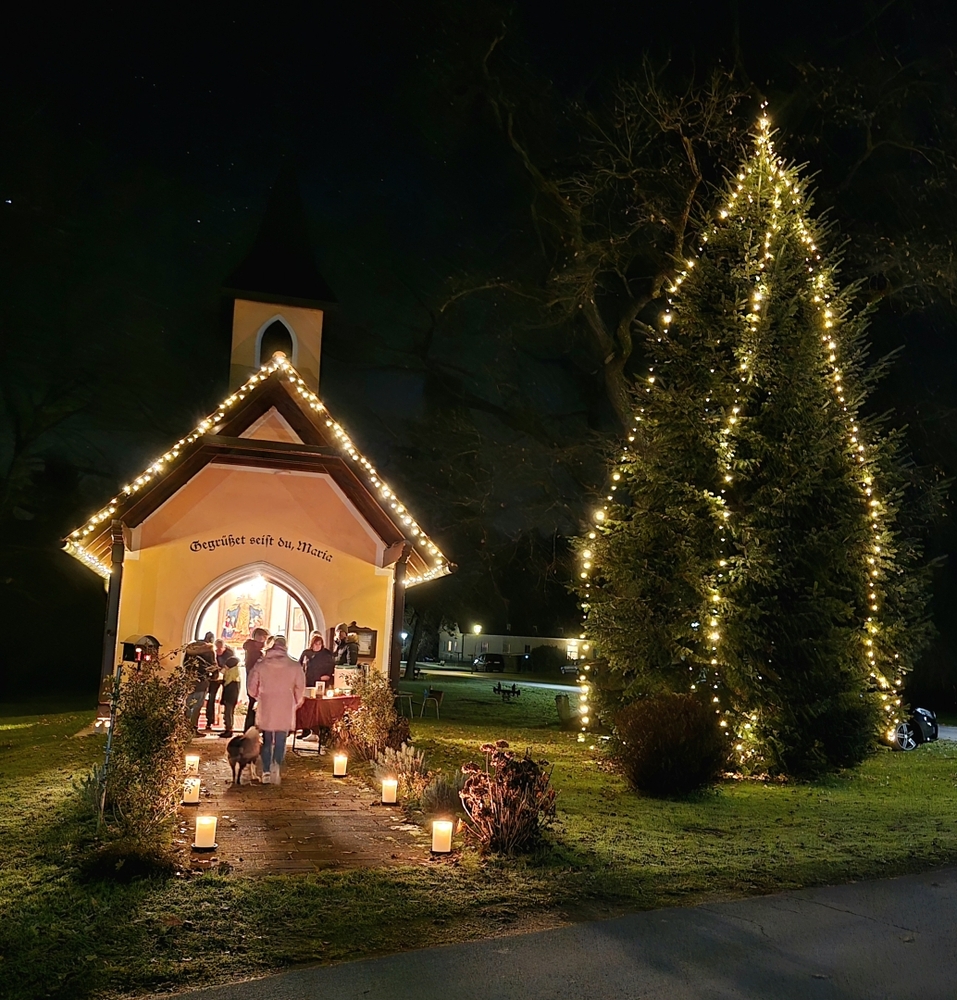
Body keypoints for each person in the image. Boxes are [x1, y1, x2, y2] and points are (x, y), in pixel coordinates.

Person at [246, 635, 305, 785]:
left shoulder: (261, 664)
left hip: (267, 703)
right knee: (281, 738)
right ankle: (276, 767)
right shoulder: (294, 665)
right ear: (285, 647)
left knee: (267, 739)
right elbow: (300, 687)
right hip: (285, 704)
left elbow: (251, 687)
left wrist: (259, 696)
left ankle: (265, 771)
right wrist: (296, 701)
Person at [298, 632, 336, 738]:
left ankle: (319, 731)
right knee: (306, 707)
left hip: (320, 683)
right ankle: (305, 729)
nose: (318, 646)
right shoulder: (306, 653)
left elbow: (331, 667)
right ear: (312, 644)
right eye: (316, 644)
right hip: (307, 682)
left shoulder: (326, 654)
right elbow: (299, 665)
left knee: (319, 707)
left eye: (320, 644)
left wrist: (327, 676)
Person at [184, 632, 216, 734]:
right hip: (202, 681)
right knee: (197, 706)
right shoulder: (209, 650)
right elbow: (212, 667)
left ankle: (184, 728)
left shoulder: (190, 648)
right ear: (211, 639)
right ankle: (193, 728)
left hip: (189, 680)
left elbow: (184, 664)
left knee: (188, 705)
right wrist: (214, 675)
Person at [242, 627, 269, 731]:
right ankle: (251, 730)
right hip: (256, 684)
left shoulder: (251, 649)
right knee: (254, 707)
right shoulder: (255, 652)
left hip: (251, 683)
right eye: (264, 639)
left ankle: (249, 730)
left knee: (252, 706)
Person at [218, 653, 241, 737]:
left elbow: (226, 683)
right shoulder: (236, 673)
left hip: (229, 697)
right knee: (229, 713)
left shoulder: (231, 674)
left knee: (228, 713)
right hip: (232, 697)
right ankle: (228, 728)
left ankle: (229, 729)